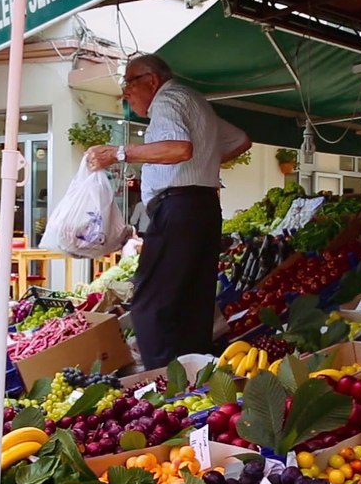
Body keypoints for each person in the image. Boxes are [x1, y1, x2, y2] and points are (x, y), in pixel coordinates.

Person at [86, 54, 251, 369]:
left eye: (129, 84)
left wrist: (119, 153)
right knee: (192, 299)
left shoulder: (167, 100)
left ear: (151, 80)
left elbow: (179, 148)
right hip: (204, 207)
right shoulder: (195, 101)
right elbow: (240, 140)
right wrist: (204, 164)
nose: (125, 93)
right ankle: (194, 372)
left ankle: (163, 379)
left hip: (178, 207)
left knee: (151, 300)